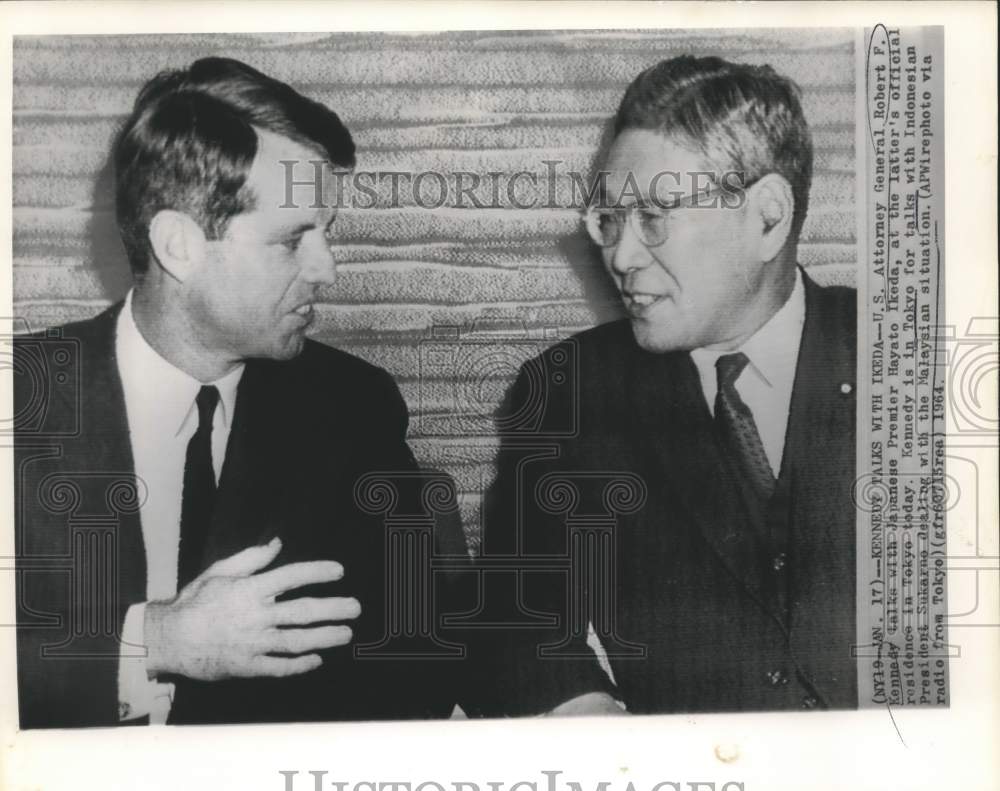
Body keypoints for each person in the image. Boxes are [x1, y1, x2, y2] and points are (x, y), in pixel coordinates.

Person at [13, 57, 468, 728]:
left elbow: (412, 660)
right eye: (292, 240)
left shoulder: (352, 407)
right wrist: (158, 643)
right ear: (179, 246)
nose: (327, 268)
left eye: (326, 232)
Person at [479, 55, 857, 715]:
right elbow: (515, 615)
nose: (621, 256)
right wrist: (586, 711)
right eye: (610, 220)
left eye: (655, 216)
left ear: (768, 217)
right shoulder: (569, 389)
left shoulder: (911, 354)